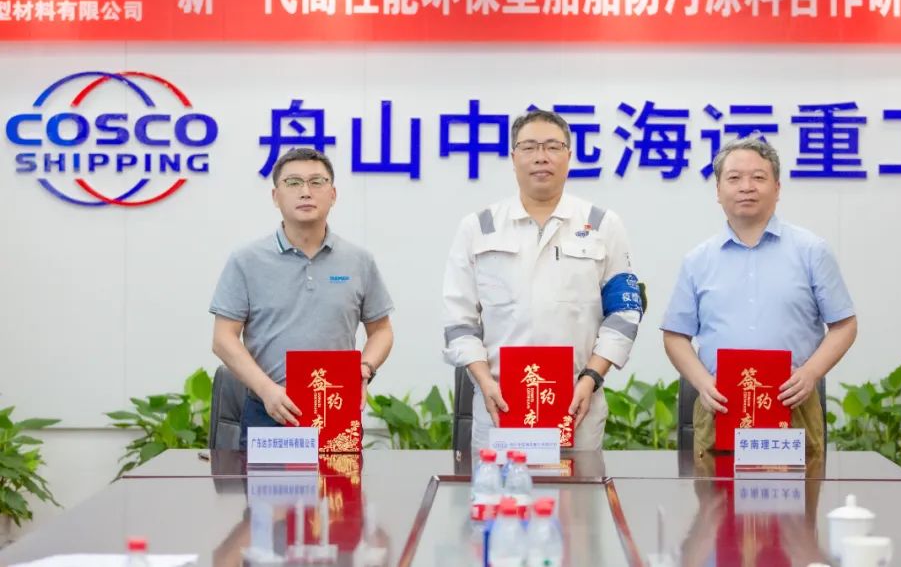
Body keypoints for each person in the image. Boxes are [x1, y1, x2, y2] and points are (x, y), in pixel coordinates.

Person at [442, 109, 642, 450]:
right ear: (513, 157)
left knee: (576, 486)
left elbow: (624, 313)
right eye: (529, 147)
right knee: (501, 487)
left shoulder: (602, 224)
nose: (541, 157)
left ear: (569, 155)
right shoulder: (479, 227)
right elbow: (458, 320)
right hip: (499, 403)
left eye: (552, 146)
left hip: (577, 402)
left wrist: (592, 377)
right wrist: (484, 380)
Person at [661, 137, 857, 461]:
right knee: (715, 493)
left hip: (791, 405)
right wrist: (702, 383)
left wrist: (810, 374)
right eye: (734, 178)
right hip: (719, 407)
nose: (746, 187)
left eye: (758, 177)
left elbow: (844, 325)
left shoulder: (812, 251)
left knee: (797, 493)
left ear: (777, 188)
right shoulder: (698, 260)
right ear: (718, 190)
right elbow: (674, 335)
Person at [210, 147, 394, 446]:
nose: (305, 192)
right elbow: (223, 338)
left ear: (333, 194)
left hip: (335, 409)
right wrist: (266, 390)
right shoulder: (246, 260)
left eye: (316, 182)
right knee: (266, 480)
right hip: (269, 410)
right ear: (275, 196)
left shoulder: (358, 260)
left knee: (339, 479)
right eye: (293, 182)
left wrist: (365, 367)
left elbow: (381, 330)